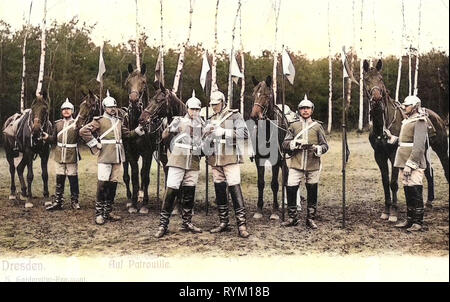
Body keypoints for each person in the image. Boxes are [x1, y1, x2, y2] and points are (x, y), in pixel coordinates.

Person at [79, 91, 145, 225]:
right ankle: (99, 213)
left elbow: (127, 134)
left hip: (117, 156)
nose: (113, 109)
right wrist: (94, 143)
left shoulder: (119, 122)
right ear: (105, 108)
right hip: (105, 155)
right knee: (102, 184)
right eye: (110, 107)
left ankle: (108, 211)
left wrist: (137, 131)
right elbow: (83, 131)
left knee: (113, 185)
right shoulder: (99, 121)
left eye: (114, 107)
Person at [154, 91, 204, 238]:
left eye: (197, 109)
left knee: (189, 191)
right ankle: (163, 225)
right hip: (178, 159)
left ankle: (187, 222)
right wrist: (168, 131)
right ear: (187, 109)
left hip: (193, 160)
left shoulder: (203, 123)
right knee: (171, 189)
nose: (194, 112)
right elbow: (165, 136)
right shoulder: (178, 121)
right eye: (192, 109)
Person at [205, 89, 250, 238]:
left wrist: (224, 132)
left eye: (216, 104)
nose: (214, 107)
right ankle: (223, 222)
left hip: (230, 157)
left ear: (223, 102)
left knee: (234, 188)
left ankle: (241, 225)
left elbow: (244, 134)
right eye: (212, 104)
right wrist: (207, 133)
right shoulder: (210, 117)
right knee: (219, 189)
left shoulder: (235, 115)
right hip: (215, 158)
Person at [281, 95, 329, 229]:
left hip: (313, 164)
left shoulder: (318, 127)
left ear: (312, 110)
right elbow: (284, 143)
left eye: (307, 108)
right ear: (299, 111)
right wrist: (293, 143)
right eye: (302, 108)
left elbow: (325, 145)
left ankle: (310, 218)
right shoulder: (293, 126)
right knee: (291, 187)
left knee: (312, 190)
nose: (305, 111)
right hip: (296, 163)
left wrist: (318, 148)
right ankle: (292, 217)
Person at [394, 95, 431, 232]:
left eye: (407, 105)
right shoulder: (407, 120)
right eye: (404, 105)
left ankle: (418, 221)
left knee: (415, 189)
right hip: (403, 160)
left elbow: (419, 146)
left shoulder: (420, 121)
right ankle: (409, 220)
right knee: (408, 189)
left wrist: (410, 164)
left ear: (415, 107)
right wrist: (394, 139)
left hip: (413, 162)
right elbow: (405, 141)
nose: (404, 107)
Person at [42, 98, 81, 210]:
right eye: (64, 109)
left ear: (72, 111)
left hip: (71, 154)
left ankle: (75, 201)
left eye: (68, 109)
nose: (66, 111)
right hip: (59, 154)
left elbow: (82, 136)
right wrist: (46, 137)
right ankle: (58, 202)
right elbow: (53, 139)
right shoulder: (57, 124)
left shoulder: (77, 124)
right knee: (60, 178)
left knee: (73, 178)